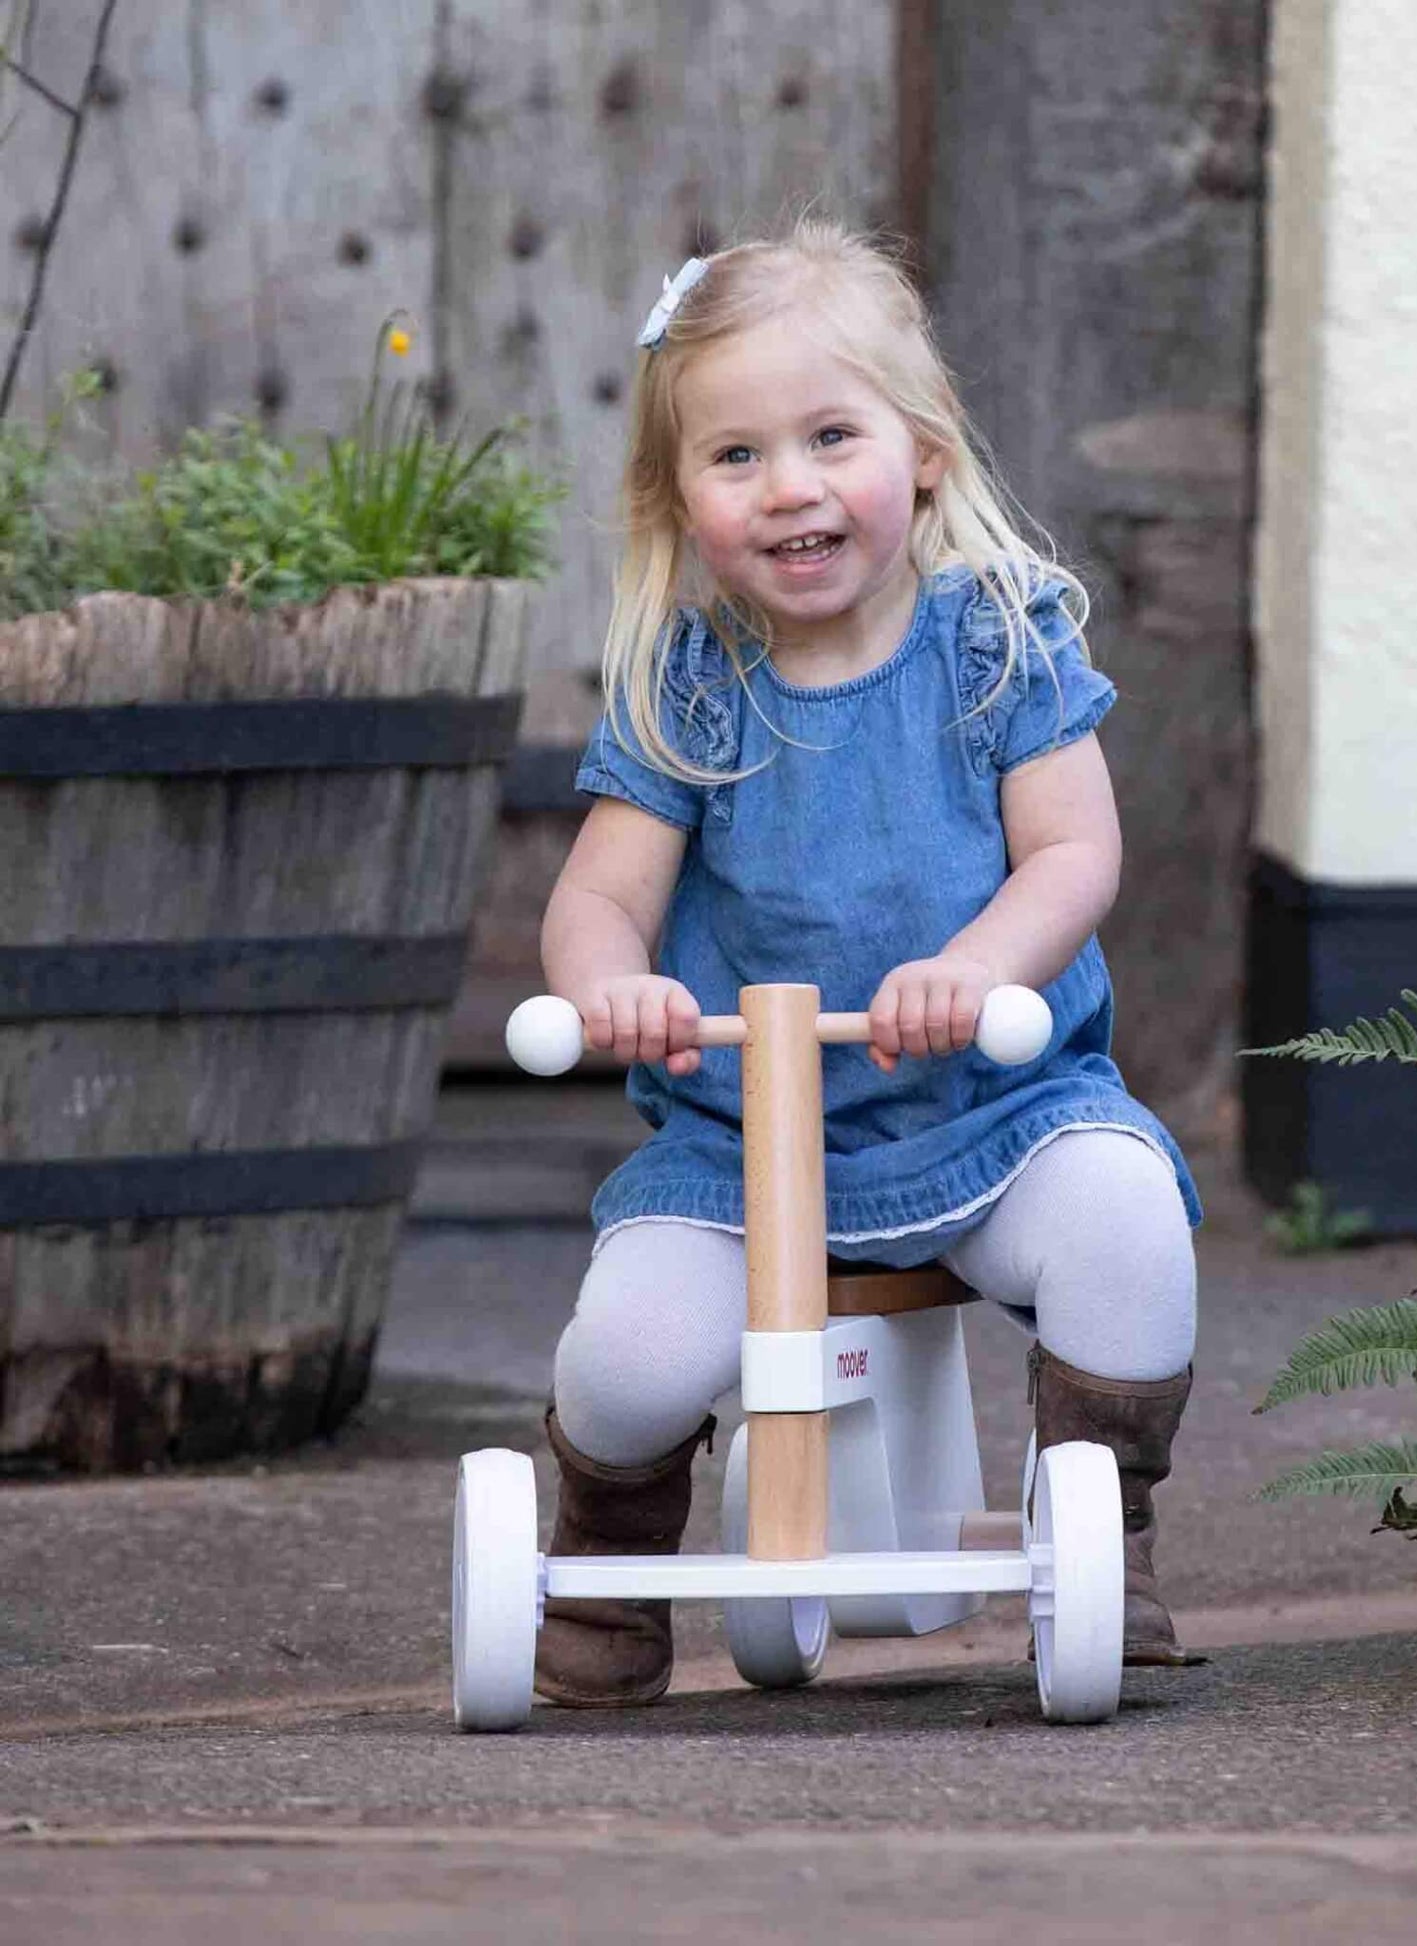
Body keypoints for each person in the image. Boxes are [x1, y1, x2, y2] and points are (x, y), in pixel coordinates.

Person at [534, 219, 1203, 1707]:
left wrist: (974, 964)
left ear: (919, 452)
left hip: (986, 1112)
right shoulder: (690, 688)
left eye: (830, 436)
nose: (790, 488)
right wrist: (610, 984)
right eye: (737, 457)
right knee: (631, 1356)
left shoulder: (997, 648)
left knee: (1126, 1221)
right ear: (678, 496)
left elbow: (1072, 855)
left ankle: (1107, 1522)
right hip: (741, 1145)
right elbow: (595, 894)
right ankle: (604, 1535)